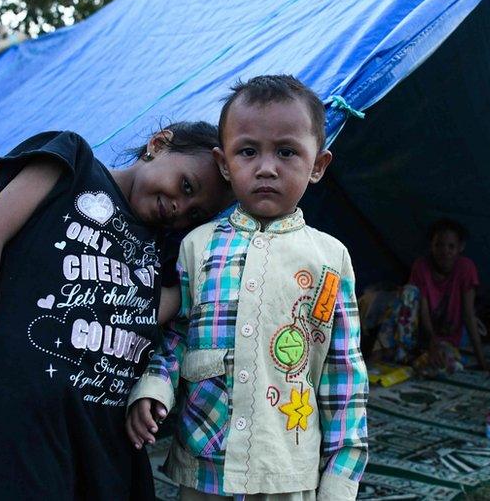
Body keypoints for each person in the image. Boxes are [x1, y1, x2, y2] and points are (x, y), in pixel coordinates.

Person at [0, 123, 233, 500]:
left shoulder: (162, 253)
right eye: (186, 186)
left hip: (107, 457)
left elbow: (165, 307)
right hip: (22, 433)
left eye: (194, 215)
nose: (180, 210)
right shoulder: (74, 164)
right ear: (159, 143)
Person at [126, 75, 369, 500]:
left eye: (287, 152)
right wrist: (153, 388)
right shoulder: (197, 247)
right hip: (205, 464)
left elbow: (342, 373)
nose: (267, 167)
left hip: (287, 468)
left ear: (318, 165)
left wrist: (341, 474)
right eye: (248, 151)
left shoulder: (330, 259)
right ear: (225, 164)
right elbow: (176, 336)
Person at [409, 219, 489, 372]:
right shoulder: (421, 267)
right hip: (421, 334)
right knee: (408, 293)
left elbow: (468, 314)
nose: (445, 251)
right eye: (438, 245)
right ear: (431, 246)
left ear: (461, 247)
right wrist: (432, 342)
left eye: (451, 246)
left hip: (448, 337)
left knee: (445, 364)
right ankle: (398, 353)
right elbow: (423, 311)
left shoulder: (466, 268)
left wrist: (482, 361)